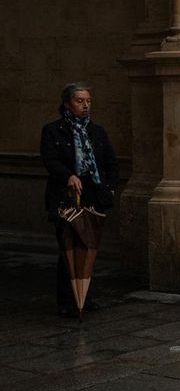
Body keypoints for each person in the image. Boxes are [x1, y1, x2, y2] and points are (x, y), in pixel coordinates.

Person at [40, 83, 118, 317]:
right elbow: (50, 160)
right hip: (66, 196)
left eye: (88, 101)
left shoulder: (97, 131)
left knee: (88, 246)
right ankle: (67, 300)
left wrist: (110, 188)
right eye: (80, 101)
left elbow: (110, 163)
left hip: (92, 194)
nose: (85, 105)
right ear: (67, 104)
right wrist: (68, 176)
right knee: (68, 247)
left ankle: (85, 297)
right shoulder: (53, 131)